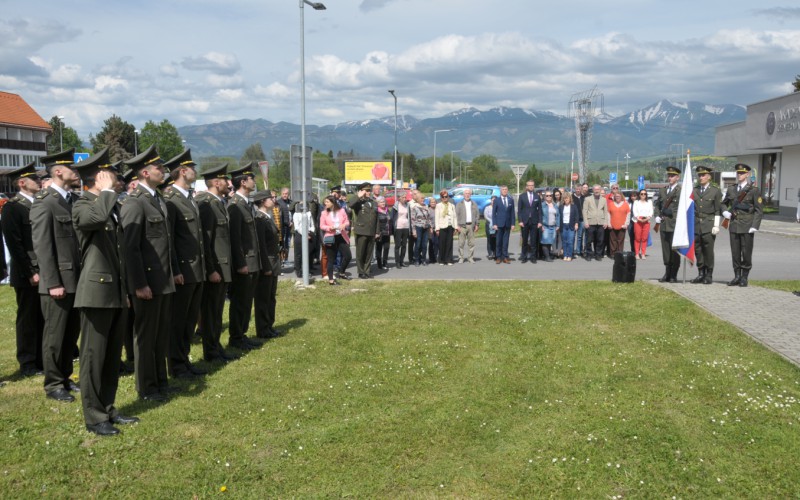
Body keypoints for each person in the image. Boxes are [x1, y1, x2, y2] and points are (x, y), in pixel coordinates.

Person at [72, 148, 139, 435]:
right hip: (95, 292)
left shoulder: (108, 205)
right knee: (93, 357)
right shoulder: (82, 204)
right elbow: (94, 221)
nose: (117, 180)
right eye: (111, 175)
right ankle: (94, 416)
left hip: (115, 291)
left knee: (111, 356)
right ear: (98, 178)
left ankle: (108, 407)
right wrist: (106, 191)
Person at [120, 145, 177, 402]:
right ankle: (147, 387)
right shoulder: (135, 203)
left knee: (160, 333)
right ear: (145, 172)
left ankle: (160, 381)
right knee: (145, 336)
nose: (163, 171)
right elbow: (130, 249)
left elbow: (165, 242)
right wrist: (139, 284)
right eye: (158, 168)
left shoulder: (157, 199)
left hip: (163, 280)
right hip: (148, 282)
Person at [30, 148, 82, 403]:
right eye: (72, 168)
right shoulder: (45, 202)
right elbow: (43, 246)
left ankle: (65, 376)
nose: (77, 172)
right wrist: (52, 282)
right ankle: (53, 384)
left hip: (75, 280)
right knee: (55, 335)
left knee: (71, 334)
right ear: (59, 171)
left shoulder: (71, 200)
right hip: (58, 282)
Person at [161, 149, 207, 379]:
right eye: (192, 168)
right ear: (182, 171)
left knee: (189, 320)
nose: (195, 172)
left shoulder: (188, 198)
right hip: (184, 270)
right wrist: (175, 270)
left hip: (196, 269)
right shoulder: (171, 201)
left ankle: (184, 360)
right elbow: (170, 239)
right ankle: (176, 366)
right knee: (178, 321)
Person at [1, 162, 45, 377]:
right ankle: (27, 362)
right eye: (34, 179)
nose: (39, 181)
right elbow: (15, 244)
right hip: (27, 272)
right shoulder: (13, 207)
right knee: (28, 318)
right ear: (21, 183)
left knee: (43, 316)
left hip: (43, 269)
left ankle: (42, 358)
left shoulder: (38, 204)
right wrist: (30, 271)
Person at [195, 164, 238, 363]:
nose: (229, 184)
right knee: (210, 312)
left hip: (223, 267)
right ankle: (210, 351)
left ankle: (216, 347)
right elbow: (206, 241)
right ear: (215, 182)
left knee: (217, 311)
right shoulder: (207, 204)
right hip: (215, 269)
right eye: (225, 180)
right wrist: (211, 269)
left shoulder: (218, 202)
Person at [227, 163, 262, 350]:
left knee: (247, 301)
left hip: (252, 261)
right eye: (251, 179)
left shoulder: (245, 204)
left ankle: (242, 334)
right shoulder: (235, 206)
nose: (254, 182)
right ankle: (236, 337)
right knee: (240, 301)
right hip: (244, 263)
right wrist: (240, 263)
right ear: (243, 182)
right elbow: (235, 238)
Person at [723, 163, 763, 287]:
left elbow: (759, 210)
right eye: (738, 173)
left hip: (747, 226)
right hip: (734, 225)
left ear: (747, 174)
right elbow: (723, 203)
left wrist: (754, 226)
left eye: (742, 173)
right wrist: (725, 212)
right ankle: (737, 276)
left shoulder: (754, 190)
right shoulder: (731, 189)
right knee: (735, 252)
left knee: (746, 253)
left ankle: (744, 277)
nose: (739, 175)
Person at [252, 191, 282, 336]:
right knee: (263, 298)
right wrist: (265, 266)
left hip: (273, 261)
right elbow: (261, 245)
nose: (273, 200)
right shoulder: (259, 219)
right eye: (271, 198)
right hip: (267, 262)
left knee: (271, 297)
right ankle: (263, 328)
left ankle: (269, 325)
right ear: (263, 201)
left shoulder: (267, 217)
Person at [691, 165, 724, 284]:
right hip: (696, 225)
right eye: (699, 175)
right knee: (698, 250)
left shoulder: (715, 191)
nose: (701, 177)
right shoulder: (694, 190)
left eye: (703, 175)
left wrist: (716, 225)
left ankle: (709, 274)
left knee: (708, 250)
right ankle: (701, 273)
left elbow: (717, 210)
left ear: (709, 176)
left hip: (709, 224)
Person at [654, 166, 682, 283]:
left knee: (674, 250)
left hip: (675, 224)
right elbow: (657, 204)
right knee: (666, 250)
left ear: (677, 177)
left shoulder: (680, 191)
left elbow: (683, 207)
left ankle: (674, 274)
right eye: (669, 176)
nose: (670, 178)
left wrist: (672, 213)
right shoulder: (663, 190)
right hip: (664, 224)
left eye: (672, 176)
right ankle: (667, 272)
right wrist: (657, 215)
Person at [319, 194, 352, 285]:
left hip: (341, 236)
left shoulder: (341, 211)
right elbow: (322, 226)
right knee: (331, 259)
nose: (325, 203)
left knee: (348, 256)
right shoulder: (324, 213)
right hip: (330, 237)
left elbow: (347, 221)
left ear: (333, 202)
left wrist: (343, 225)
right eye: (325, 202)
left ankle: (341, 272)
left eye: (327, 202)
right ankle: (331, 280)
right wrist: (330, 227)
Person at [350, 182, 378, 279]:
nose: (368, 192)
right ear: (361, 191)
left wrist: (377, 231)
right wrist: (358, 196)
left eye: (369, 190)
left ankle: (367, 271)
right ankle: (361, 272)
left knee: (369, 254)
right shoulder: (358, 202)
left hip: (371, 231)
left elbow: (376, 218)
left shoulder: (373, 202)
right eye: (366, 190)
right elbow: (350, 204)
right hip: (361, 230)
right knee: (360, 253)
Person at [517, 181, 541, 264]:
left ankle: (533, 257)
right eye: (529, 185)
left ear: (534, 186)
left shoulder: (537, 196)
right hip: (525, 221)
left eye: (532, 185)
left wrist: (540, 221)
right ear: (526, 186)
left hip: (534, 221)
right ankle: (524, 256)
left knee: (533, 240)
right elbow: (519, 210)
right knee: (525, 241)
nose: (531, 187)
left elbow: (540, 211)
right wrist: (520, 221)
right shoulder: (522, 196)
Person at [582, 184, 608, 261]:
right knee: (589, 240)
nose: (597, 191)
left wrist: (606, 222)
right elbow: (584, 211)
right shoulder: (587, 199)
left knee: (600, 240)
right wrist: (586, 222)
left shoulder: (604, 199)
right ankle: (589, 254)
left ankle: (598, 254)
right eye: (595, 189)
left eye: (598, 189)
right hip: (590, 223)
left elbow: (605, 211)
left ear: (600, 190)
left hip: (600, 222)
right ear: (593, 190)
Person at [291, 198, 315, 278]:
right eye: (300, 204)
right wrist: (304, 234)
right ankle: (298, 270)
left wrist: (311, 232)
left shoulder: (309, 213)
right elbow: (297, 227)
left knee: (309, 253)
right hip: (300, 235)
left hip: (309, 234)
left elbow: (312, 224)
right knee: (299, 254)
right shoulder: (296, 214)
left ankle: (307, 270)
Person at [454, 188, 480, 263]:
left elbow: (477, 215)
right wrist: (457, 226)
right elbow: (456, 216)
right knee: (461, 243)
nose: (467, 195)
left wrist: (477, 225)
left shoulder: (474, 204)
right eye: (466, 193)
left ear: (470, 194)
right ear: (463, 195)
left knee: (471, 243)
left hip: (471, 225)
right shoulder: (459, 204)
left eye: (469, 193)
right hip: (462, 226)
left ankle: (470, 258)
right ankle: (461, 258)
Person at [492, 185, 515, 264]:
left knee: (505, 241)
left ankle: (505, 256)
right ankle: (498, 257)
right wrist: (494, 223)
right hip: (499, 224)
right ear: (500, 191)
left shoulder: (511, 200)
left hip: (508, 224)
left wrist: (513, 224)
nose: (505, 191)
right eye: (503, 189)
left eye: (506, 189)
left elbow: (512, 213)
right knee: (498, 241)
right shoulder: (497, 200)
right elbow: (494, 213)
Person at [434, 189, 457, 265]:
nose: (445, 198)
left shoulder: (452, 206)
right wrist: (437, 229)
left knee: (449, 243)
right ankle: (441, 260)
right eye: (443, 197)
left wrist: (456, 227)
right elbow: (436, 217)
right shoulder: (438, 206)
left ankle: (449, 259)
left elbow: (455, 217)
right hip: (442, 226)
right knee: (442, 244)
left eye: (446, 197)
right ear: (441, 198)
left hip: (450, 226)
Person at [607, 191, 631, 255]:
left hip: (622, 226)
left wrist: (626, 224)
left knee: (620, 241)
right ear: (614, 197)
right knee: (613, 241)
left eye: (619, 196)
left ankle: (619, 254)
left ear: (621, 197)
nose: (617, 197)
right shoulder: (611, 204)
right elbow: (608, 214)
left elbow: (628, 215)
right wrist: (609, 223)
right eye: (616, 196)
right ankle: (613, 253)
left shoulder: (626, 204)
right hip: (612, 226)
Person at [631, 189, 653, 259]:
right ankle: (637, 253)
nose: (643, 195)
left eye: (644, 194)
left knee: (644, 238)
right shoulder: (636, 202)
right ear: (639, 195)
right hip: (638, 221)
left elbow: (651, 211)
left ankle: (643, 253)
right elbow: (634, 211)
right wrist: (638, 218)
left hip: (646, 220)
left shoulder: (649, 202)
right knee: (637, 238)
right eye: (641, 194)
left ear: (646, 195)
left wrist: (647, 218)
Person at [410, 192, 430, 266]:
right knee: (418, 245)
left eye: (423, 198)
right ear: (418, 199)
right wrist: (414, 231)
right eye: (421, 198)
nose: (423, 199)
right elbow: (412, 220)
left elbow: (428, 218)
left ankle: (423, 259)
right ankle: (417, 260)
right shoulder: (415, 207)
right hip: (418, 227)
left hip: (425, 227)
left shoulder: (426, 206)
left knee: (424, 245)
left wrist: (430, 226)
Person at [391, 193, 411, 268]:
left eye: (405, 197)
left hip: (406, 226)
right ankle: (397, 262)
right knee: (397, 245)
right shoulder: (395, 206)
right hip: (398, 227)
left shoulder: (407, 205)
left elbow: (409, 216)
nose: (405, 198)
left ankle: (402, 261)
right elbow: (392, 217)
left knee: (404, 245)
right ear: (399, 198)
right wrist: (392, 228)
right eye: (403, 197)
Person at [539, 191, 559, 262]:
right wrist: (541, 225)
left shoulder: (555, 205)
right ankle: (547, 257)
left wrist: (558, 225)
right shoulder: (542, 205)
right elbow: (540, 216)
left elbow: (558, 215)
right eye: (547, 196)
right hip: (545, 226)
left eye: (550, 195)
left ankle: (548, 255)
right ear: (545, 197)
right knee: (545, 241)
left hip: (553, 226)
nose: (549, 197)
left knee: (550, 241)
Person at [560, 192, 579, 261]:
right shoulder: (561, 206)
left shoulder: (574, 206)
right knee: (564, 241)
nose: (566, 199)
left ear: (570, 199)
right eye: (565, 198)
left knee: (570, 241)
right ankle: (565, 255)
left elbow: (577, 216)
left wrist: (576, 224)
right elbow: (559, 216)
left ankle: (570, 255)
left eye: (567, 198)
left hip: (571, 225)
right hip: (563, 225)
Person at [276, 188, 293, 264]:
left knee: (288, 243)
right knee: (282, 243)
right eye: (283, 193)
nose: (285, 195)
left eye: (286, 194)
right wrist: (286, 222)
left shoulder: (291, 202)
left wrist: (292, 222)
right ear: (281, 194)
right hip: (282, 226)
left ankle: (286, 259)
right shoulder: (278, 202)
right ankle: (281, 259)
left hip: (290, 227)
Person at [375, 196, 391, 270]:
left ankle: (385, 263)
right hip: (380, 233)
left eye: (384, 202)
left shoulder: (387, 210)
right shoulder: (376, 211)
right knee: (379, 248)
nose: (383, 203)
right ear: (377, 203)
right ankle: (379, 264)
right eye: (381, 202)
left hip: (387, 232)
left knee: (387, 248)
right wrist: (376, 232)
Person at [572, 184, 588, 257]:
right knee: (573, 236)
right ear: (575, 189)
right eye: (577, 189)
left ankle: (579, 251)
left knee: (580, 236)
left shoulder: (584, 197)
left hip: (582, 219)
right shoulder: (571, 197)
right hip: (573, 220)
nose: (578, 190)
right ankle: (572, 251)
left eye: (579, 189)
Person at [484, 195, 497, 260]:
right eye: (492, 200)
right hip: (489, 225)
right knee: (489, 240)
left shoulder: (498, 208)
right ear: (490, 201)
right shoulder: (487, 208)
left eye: (495, 200)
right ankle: (490, 253)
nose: (493, 201)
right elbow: (486, 216)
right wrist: (491, 221)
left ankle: (495, 253)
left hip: (496, 225)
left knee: (495, 240)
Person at [552, 188, 564, 257]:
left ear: (560, 195)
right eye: (556, 195)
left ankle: (559, 252)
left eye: (558, 195)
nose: (557, 196)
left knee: (560, 237)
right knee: (554, 238)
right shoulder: (552, 202)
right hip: (554, 222)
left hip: (561, 222)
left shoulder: (562, 202)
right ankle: (554, 251)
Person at [427, 198, 439, 264]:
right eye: (432, 202)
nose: (433, 203)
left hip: (437, 229)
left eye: (434, 202)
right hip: (430, 229)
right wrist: (430, 227)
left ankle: (435, 257)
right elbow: (428, 219)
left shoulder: (438, 210)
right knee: (431, 243)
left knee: (437, 243)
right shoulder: (428, 210)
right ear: (429, 203)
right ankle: (431, 258)